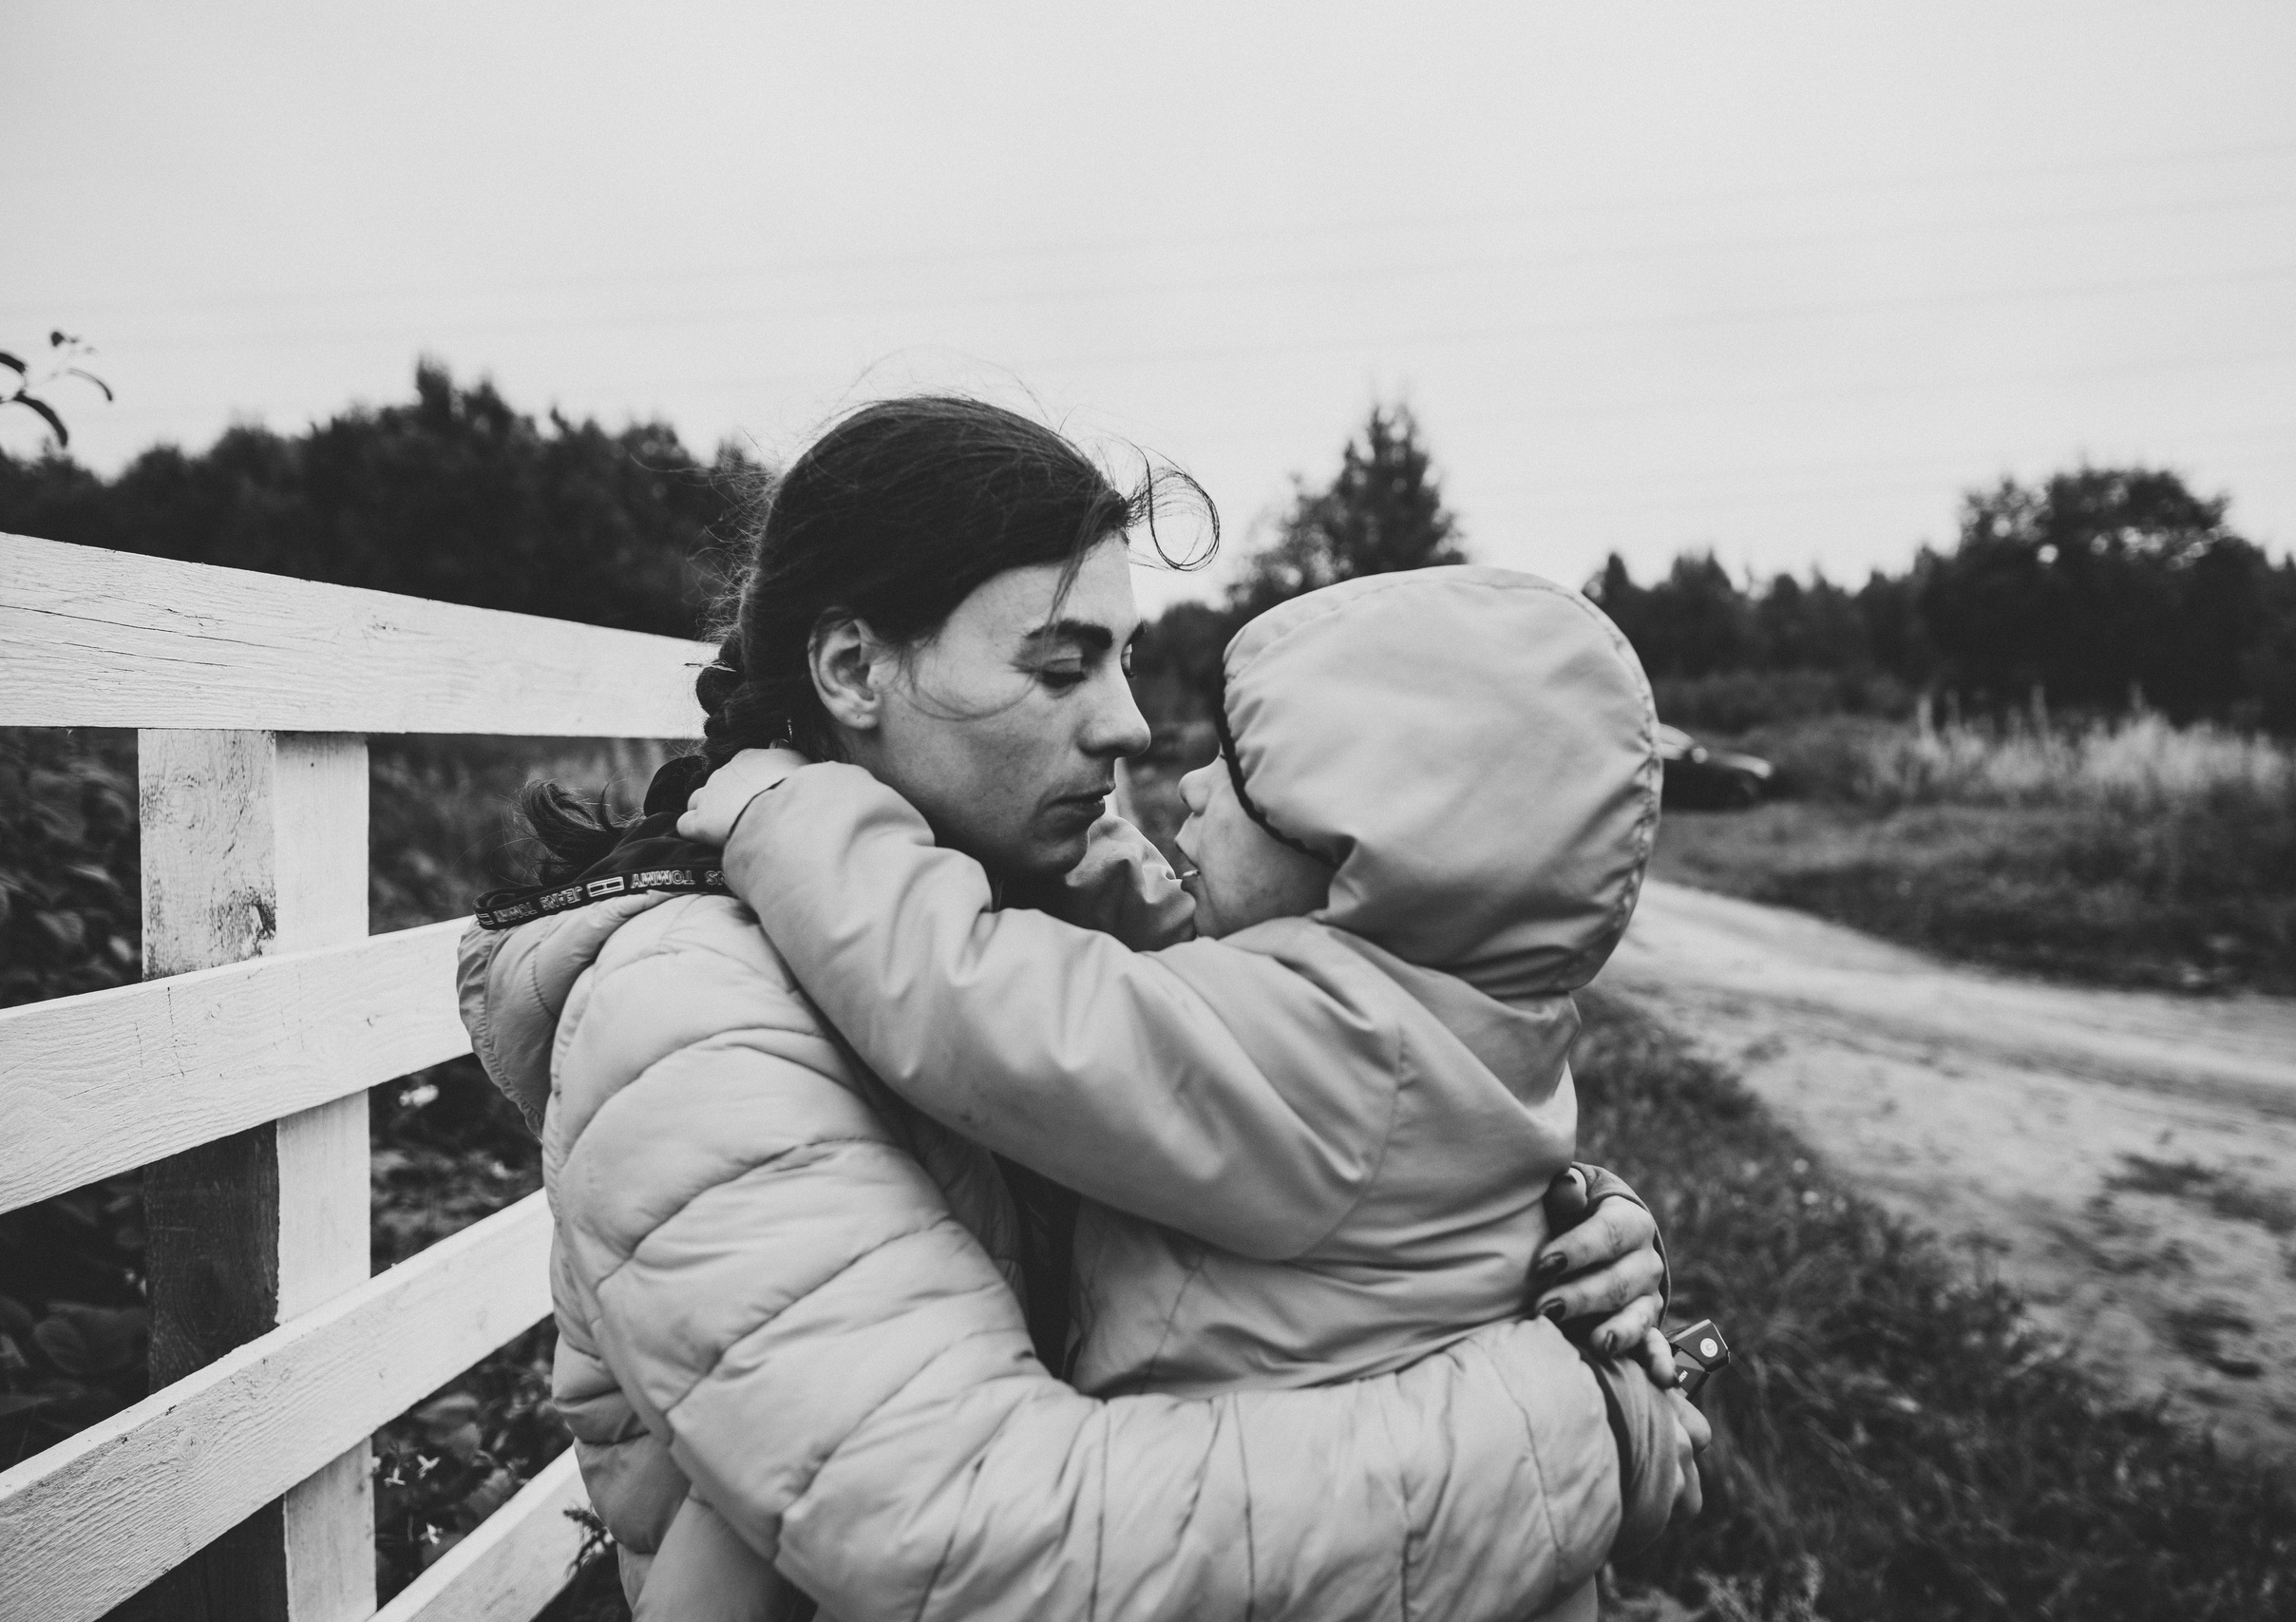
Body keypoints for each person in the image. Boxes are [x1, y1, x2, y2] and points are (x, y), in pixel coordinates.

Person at [456, 398, 1698, 1620]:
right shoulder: (695, 1008)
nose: (1130, 725)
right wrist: (1572, 1427)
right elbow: (968, 1536)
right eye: (1062, 666)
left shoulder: (1046, 915)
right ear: (851, 669)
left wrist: (1564, 1223)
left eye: (1121, 660)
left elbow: (1361, 1107)